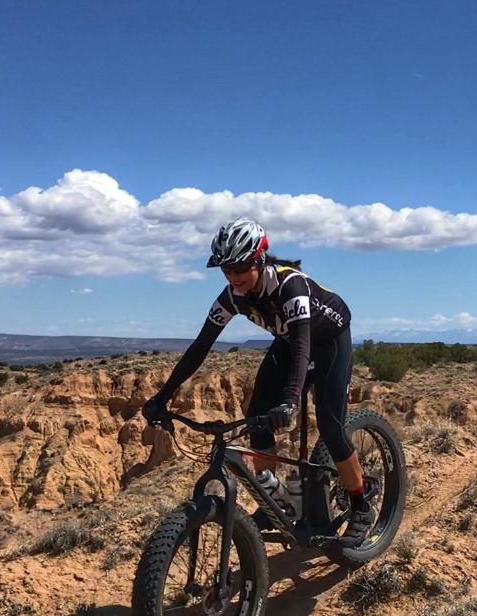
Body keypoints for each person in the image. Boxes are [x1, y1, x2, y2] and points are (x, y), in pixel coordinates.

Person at [142, 217, 378, 546]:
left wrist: (290, 399)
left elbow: (301, 346)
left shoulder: (289, 286)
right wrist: (162, 396)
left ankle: (360, 503)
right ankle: (275, 501)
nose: (233, 278)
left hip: (328, 340)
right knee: (257, 422)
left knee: (331, 426)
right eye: (226, 270)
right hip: (289, 340)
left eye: (239, 268)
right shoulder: (232, 297)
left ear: (259, 260)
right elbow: (200, 347)